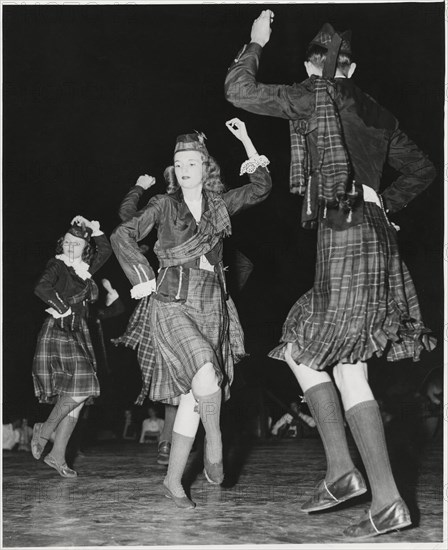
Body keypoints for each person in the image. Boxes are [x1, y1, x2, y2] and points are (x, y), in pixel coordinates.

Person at [225, 11, 437, 539]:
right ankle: (344, 472)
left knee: (340, 365)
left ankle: (384, 496)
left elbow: (238, 90)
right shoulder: (378, 111)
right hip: (371, 234)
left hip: (344, 233)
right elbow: (424, 168)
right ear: (353, 66)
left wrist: (254, 43)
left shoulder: (312, 94)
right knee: (304, 346)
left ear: (310, 67)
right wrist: (384, 203)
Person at [111, 118, 272, 508]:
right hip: (171, 301)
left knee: (192, 397)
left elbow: (261, 188)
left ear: (206, 167)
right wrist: (142, 275)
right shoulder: (163, 205)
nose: (183, 170)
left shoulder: (220, 204)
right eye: (178, 164)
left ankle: (173, 481)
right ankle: (215, 442)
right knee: (204, 370)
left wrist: (247, 141)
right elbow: (122, 234)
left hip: (212, 302)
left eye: (191, 163)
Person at [31, 215, 112, 477]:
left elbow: (106, 249)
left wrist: (93, 227)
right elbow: (41, 287)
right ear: (61, 243)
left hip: (79, 333)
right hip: (59, 330)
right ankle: (45, 430)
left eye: (76, 244)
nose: (70, 247)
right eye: (67, 242)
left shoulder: (85, 268)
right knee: (85, 384)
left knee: (77, 399)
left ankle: (57, 454)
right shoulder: (57, 265)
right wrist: (63, 308)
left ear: (84, 248)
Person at [116, 175, 178, 465]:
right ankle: (167, 443)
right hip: (162, 297)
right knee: (170, 370)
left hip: (199, 290)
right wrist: (138, 187)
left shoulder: (205, 210)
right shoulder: (157, 218)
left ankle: (185, 442)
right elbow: (127, 217)